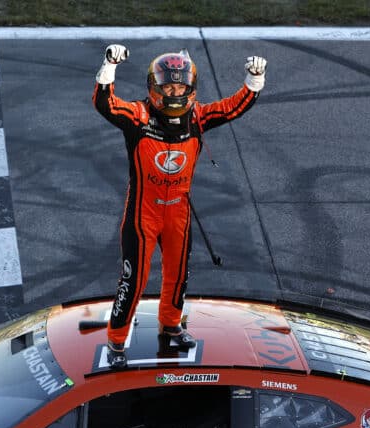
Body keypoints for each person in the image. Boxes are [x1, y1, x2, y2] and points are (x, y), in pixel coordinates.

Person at [93, 44, 267, 368]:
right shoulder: (139, 116)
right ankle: (116, 341)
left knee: (178, 274)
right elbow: (105, 104)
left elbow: (233, 108)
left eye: (180, 86)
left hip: (178, 211)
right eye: (168, 86)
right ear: (155, 88)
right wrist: (109, 66)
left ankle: (171, 324)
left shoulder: (198, 116)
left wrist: (254, 79)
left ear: (190, 89)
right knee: (134, 280)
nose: (174, 92)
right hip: (142, 213)